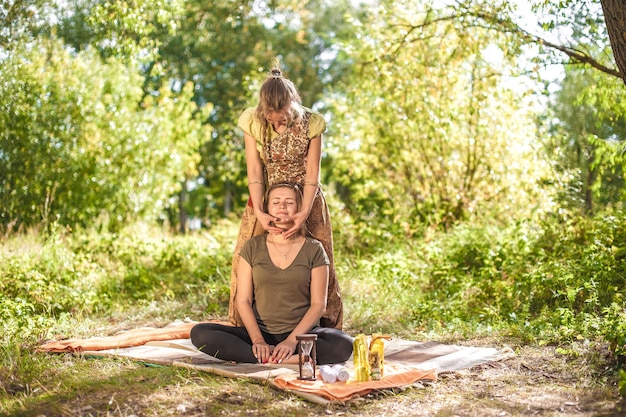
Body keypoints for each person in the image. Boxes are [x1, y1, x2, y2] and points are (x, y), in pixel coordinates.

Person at [228, 62, 343, 330]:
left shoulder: (312, 122)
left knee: (320, 256)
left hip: (307, 198)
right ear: (262, 109)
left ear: (292, 106)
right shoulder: (253, 121)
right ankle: (247, 327)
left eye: (282, 118)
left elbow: (313, 172)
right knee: (246, 255)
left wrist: (303, 212)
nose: (277, 123)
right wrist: (260, 211)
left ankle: (322, 328)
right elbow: (255, 171)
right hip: (267, 198)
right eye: (272, 119)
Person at [191, 183, 353, 365]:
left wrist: (292, 341)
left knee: (343, 344)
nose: (282, 206)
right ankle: (285, 359)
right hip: (260, 334)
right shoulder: (252, 247)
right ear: (267, 208)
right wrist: (258, 340)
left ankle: (269, 359)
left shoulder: (314, 249)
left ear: (299, 208)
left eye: (289, 202)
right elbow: (243, 300)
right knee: (200, 333)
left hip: (301, 336)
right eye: (276, 202)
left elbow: (318, 304)